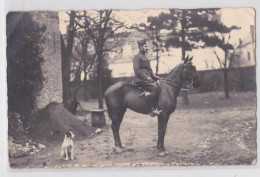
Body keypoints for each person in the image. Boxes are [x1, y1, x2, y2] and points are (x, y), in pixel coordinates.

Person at [133, 39, 162, 117]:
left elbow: (150, 70)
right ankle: (151, 109)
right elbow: (137, 70)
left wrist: (156, 78)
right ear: (140, 47)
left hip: (147, 80)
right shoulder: (137, 57)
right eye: (145, 46)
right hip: (140, 80)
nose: (147, 48)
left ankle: (157, 106)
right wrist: (146, 77)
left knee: (159, 86)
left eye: (147, 46)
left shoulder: (146, 58)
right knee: (155, 88)